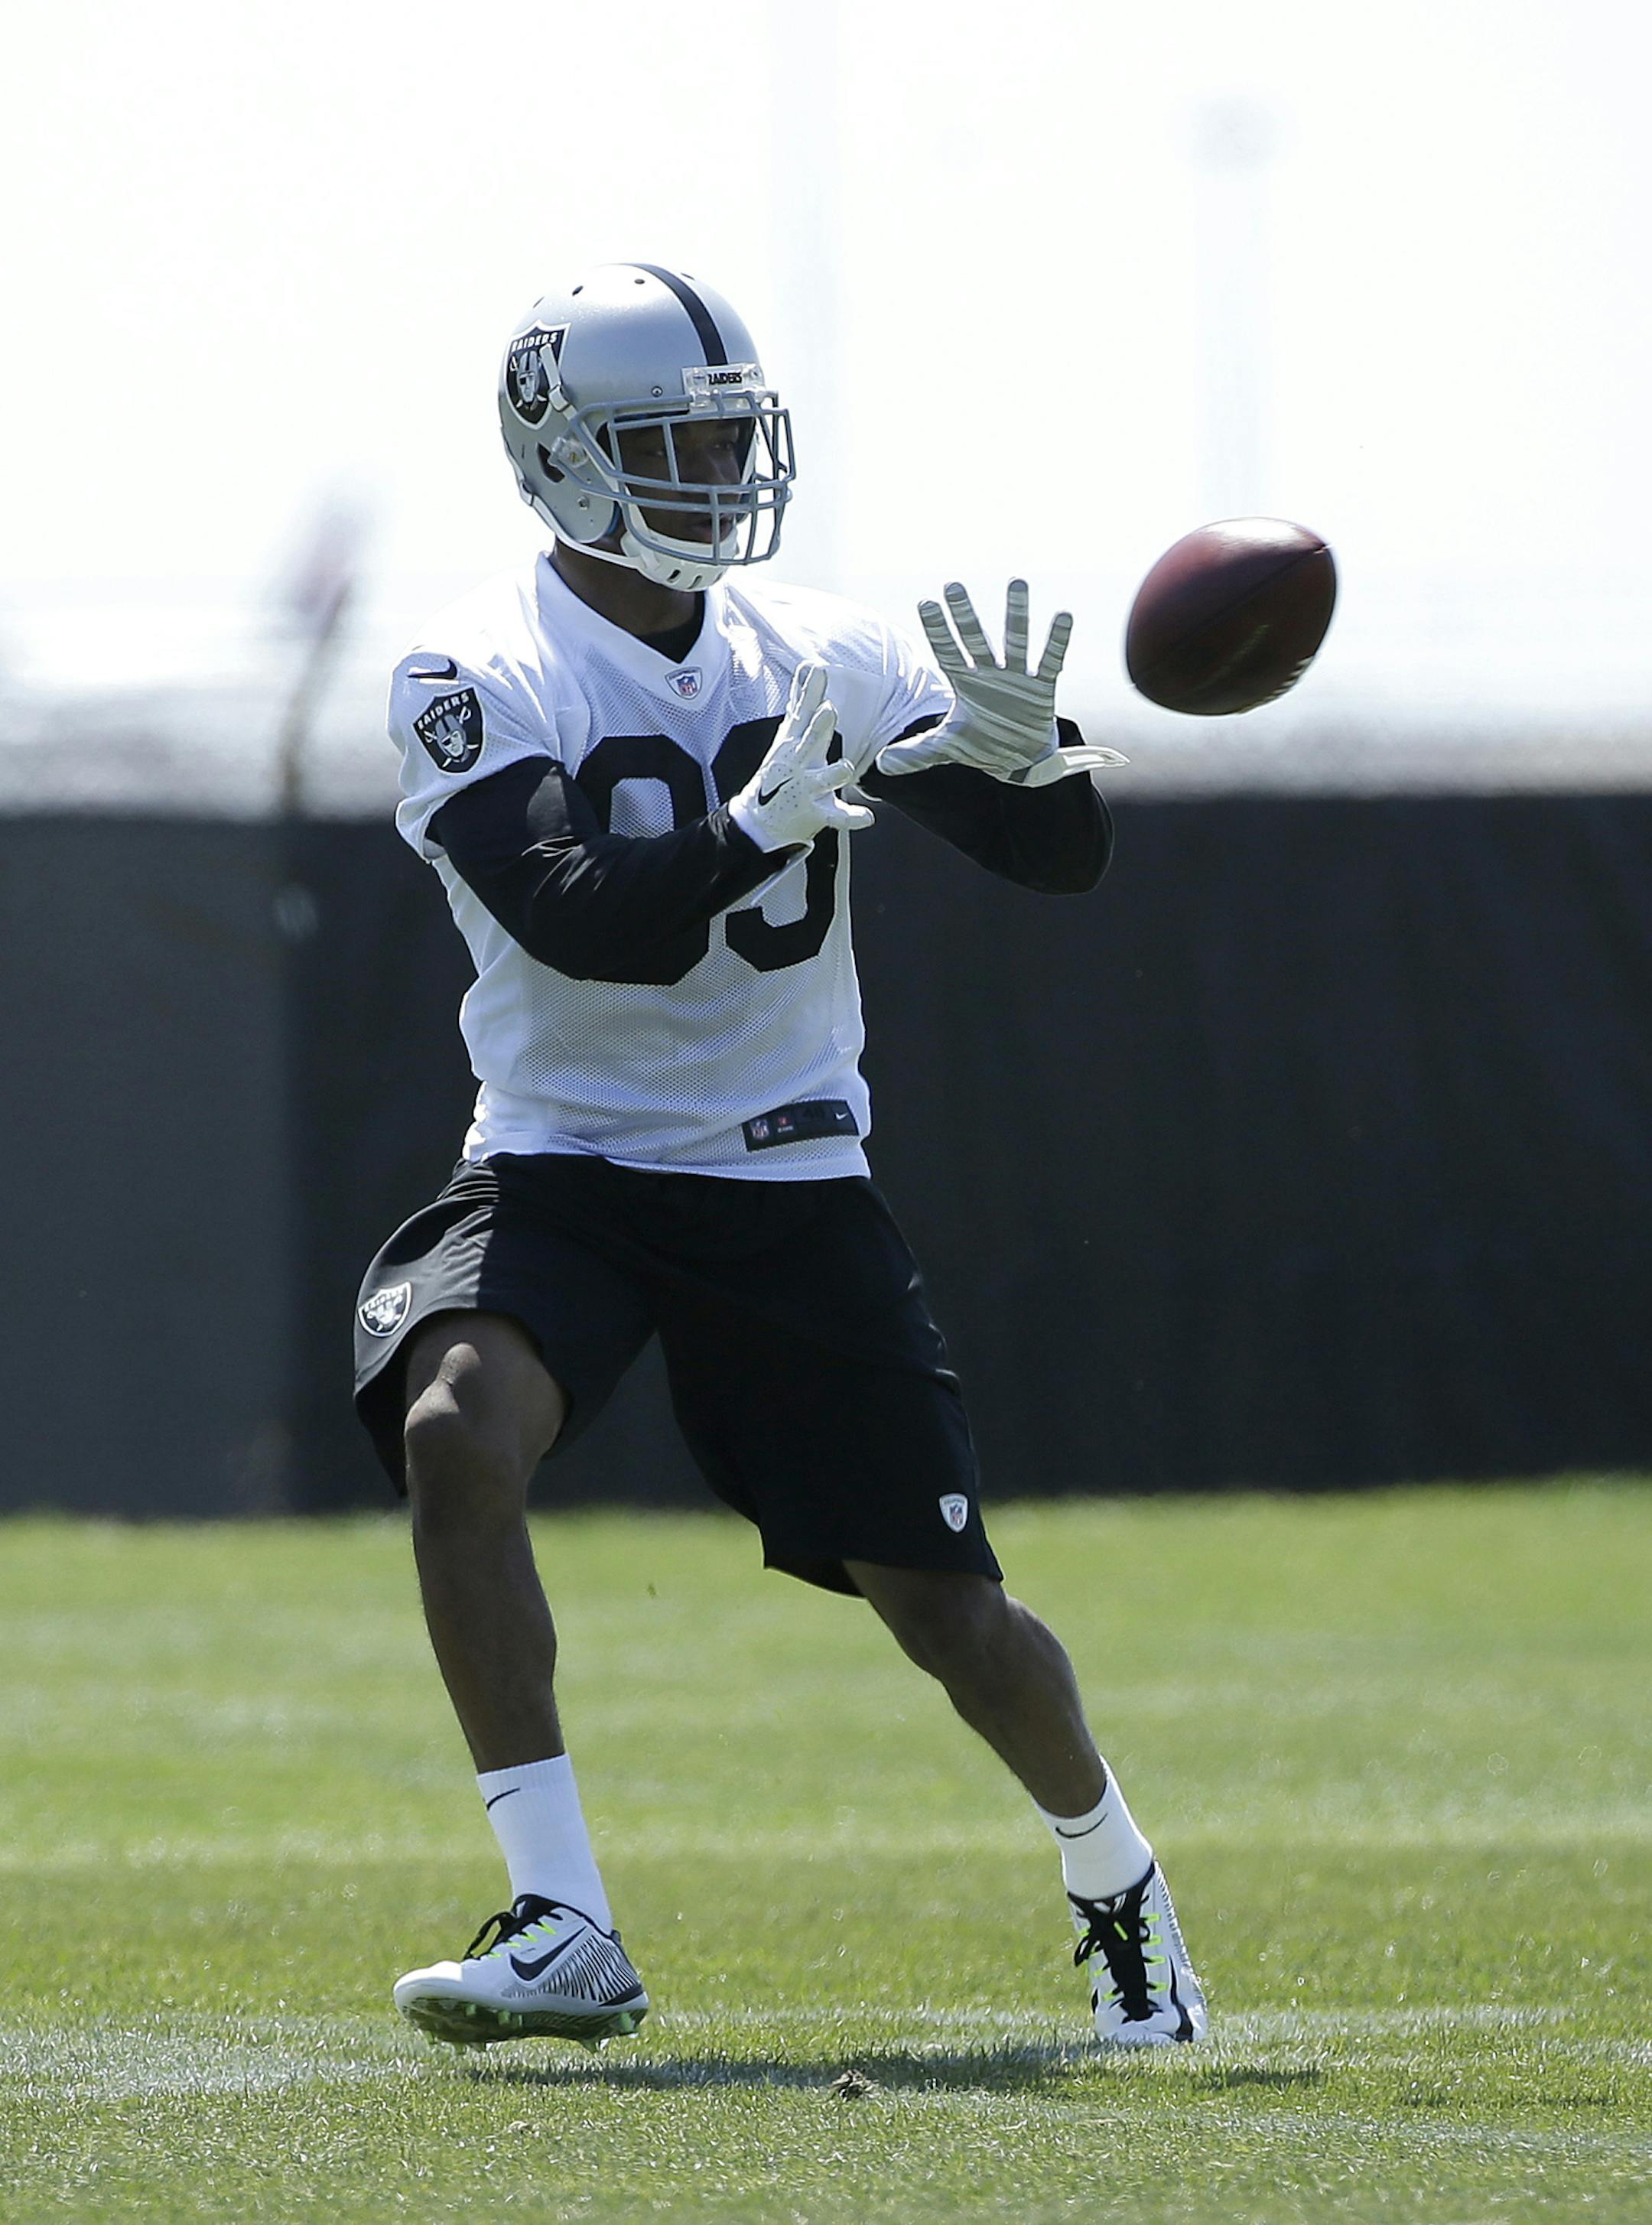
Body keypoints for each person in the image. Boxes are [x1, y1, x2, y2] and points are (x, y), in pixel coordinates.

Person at [353, 262, 1206, 2053]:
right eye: (678, 440)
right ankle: (563, 1915)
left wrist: (1018, 773)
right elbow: (584, 922)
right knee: (454, 1428)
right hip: (567, 1160)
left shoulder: (821, 640)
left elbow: (1059, 862)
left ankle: (1121, 1891)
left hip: (784, 1171)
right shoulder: (470, 667)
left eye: (733, 435)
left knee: (950, 1615)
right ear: (565, 454)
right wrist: (748, 825)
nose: (717, 474)